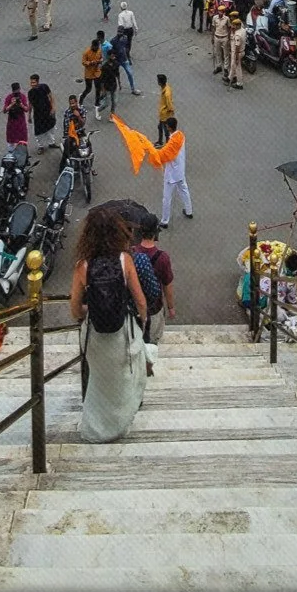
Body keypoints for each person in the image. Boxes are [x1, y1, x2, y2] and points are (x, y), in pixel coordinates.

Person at [69, 204, 149, 442]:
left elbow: (75, 310)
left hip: (95, 336)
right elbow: (141, 302)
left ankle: (96, 429)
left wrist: (88, 309)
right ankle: (119, 424)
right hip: (121, 334)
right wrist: (142, 325)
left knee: (98, 383)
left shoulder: (82, 267)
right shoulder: (125, 261)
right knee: (123, 379)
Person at [132, 211, 174, 374]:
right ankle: (148, 368)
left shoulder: (131, 254)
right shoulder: (162, 258)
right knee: (152, 342)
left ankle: (136, 368)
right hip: (155, 308)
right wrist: (171, 307)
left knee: (135, 338)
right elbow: (167, 285)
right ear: (156, 232)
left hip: (134, 307)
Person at [158, 119, 194, 224]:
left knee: (167, 198)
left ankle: (165, 221)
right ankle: (189, 211)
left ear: (169, 127)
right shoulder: (180, 136)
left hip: (171, 175)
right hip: (180, 171)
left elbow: (165, 155)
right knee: (184, 190)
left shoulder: (172, 143)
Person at [29, 73, 57, 152]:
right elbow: (30, 104)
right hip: (38, 115)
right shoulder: (30, 93)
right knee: (38, 132)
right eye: (31, 82)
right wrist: (29, 116)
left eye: (33, 82)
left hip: (47, 112)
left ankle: (51, 143)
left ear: (38, 82)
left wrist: (53, 108)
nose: (32, 84)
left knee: (51, 128)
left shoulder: (44, 87)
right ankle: (40, 146)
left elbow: (51, 97)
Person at [110, 23, 139, 95]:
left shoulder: (125, 38)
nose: (119, 33)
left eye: (121, 32)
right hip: (117, 60)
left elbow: (126, 47)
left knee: (130, 73)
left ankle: (133, 89)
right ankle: (114, 87)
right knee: (113, 75)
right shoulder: (113, 40)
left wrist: (127, 56)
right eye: (118, 32)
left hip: (124, 59)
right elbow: (111, 51)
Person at [81, 35, 105, 119]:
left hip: (97, 72)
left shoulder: (99, 50)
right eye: (95, 47)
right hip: (89, 73)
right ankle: (81, 100)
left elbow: (101, 58)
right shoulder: (86, 52)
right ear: (92, 46)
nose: (97, 48)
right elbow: (83, 62)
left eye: (97, 47)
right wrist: (90, 63)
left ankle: (97, 103)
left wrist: (100, 61)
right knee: (88, 89)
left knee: (98, 88)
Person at [2, 81, 31, 152]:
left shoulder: (23, 97)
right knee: (11, 140)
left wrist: (21, 104)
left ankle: (22, 154)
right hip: (12, 122)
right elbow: (4, 110)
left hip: (21, 122)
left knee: (22, 140)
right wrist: (11, 104)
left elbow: (26, 109)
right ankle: (11, 153)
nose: (16, 94)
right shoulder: (9, 97)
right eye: (15, 92)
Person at [154, 71, 176, 148]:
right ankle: (160, 141)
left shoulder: (166, 93)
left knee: (165, 130)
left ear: (160, 83)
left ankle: (167, 145)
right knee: (160, 127)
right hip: (163, 114)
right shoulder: (166, 87)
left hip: (165, 115)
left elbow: (169, 104)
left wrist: (170, 111)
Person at [211, 0, 231, 77]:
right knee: (217, 53)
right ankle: (219, 66)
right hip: (216, 37)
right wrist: (212, 37)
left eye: (222, 11)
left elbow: (229, 28)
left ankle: (226, 68)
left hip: (224, 37)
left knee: (226, 54)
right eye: (219, 11)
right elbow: (213, 28)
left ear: (224, 12)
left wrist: (228, 38)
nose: (220, 12)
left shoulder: (227, 19)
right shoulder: (214, 18)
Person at [225, 13, 245, 89]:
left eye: (234, 25)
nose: (232, 26)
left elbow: (237, 46)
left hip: (237, 52)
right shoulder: (242, 30)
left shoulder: (238, 34)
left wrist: (236, 57)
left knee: (237, 67)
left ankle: (239, 84)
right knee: (233, 65)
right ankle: (231, 77)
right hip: (239, 51)